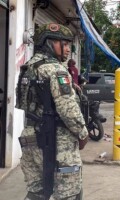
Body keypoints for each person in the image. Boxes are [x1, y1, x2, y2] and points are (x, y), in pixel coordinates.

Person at [16, 23, 88, 200]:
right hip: (56, 140)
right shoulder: (55, 69)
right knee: (69, 193)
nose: (68, 49)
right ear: (49, 43)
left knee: (36, 191)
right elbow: (67, 108)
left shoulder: (29, 67)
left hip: (31, 137)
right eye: (63, 44)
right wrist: (82, 132)